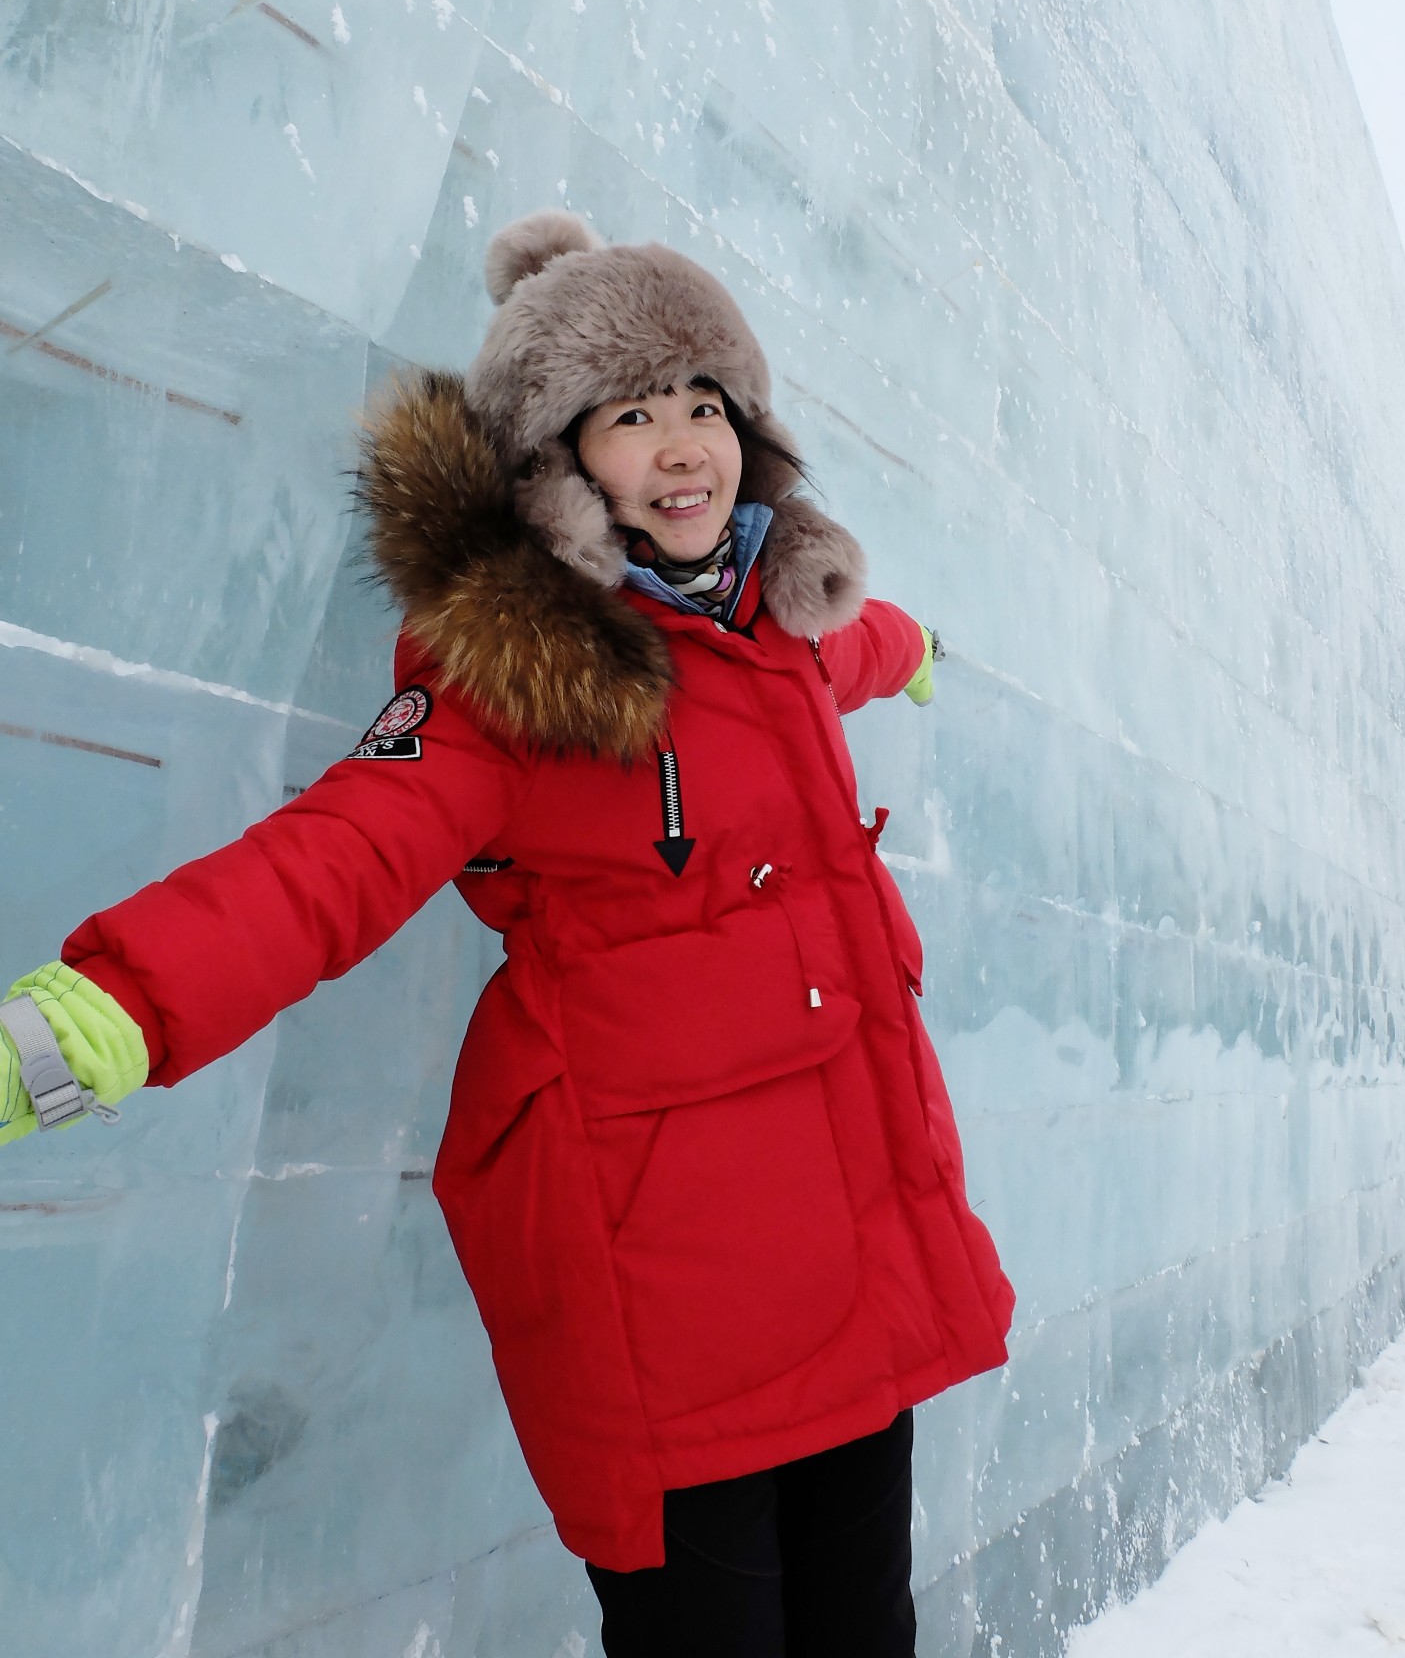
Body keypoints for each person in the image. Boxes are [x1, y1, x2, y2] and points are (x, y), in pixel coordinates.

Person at [0, 212, 1014, 1655]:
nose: (683, 447)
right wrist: (113, 1008)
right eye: (632, 415)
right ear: (554, 462)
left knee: (868, 1633)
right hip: (668, 1295)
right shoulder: (512, 685)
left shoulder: (778, 622)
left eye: (706, 406)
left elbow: (845, 651)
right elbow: (340, 852)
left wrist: (903, 649)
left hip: (854, 1258)